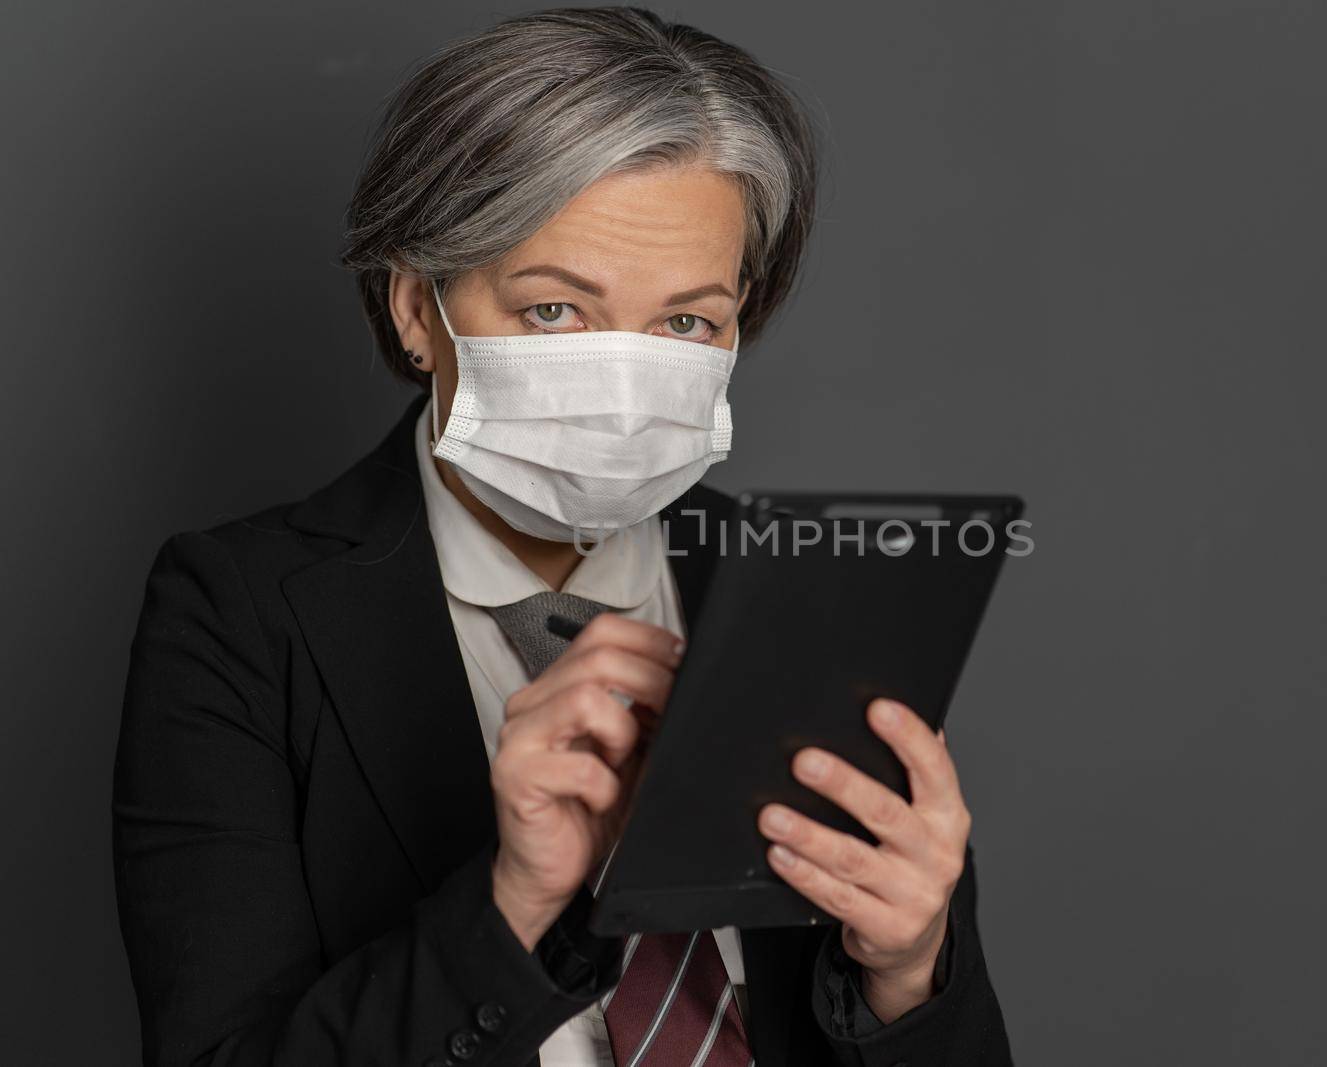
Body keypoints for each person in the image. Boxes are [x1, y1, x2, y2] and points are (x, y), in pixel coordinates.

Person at [113, 8, 1013, 1065]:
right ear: (416, 308)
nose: (626, 382)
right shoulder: (239, 616)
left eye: (684, 322)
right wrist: (511, 904)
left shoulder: (807, 592)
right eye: (554, 310)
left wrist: (909, 971)